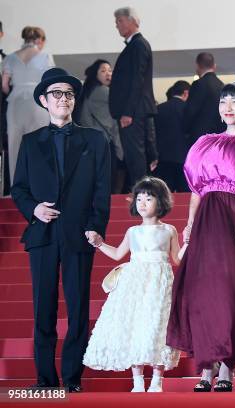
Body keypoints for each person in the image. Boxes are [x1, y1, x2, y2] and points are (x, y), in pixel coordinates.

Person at [166, 82, 235, 392]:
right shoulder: (204, 143)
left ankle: (227, 365)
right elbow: (197, 191)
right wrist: (189, 223)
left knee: (229, 289)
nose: (228, 107)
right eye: (223, 101)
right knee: (203, 291)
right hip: (207, 217)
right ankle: (206, 367)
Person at [11, 67, 111, 392]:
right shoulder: (29, 143)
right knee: (43, 310)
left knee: (78, 308)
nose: (63, 99)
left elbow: (102, 188)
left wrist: (96, 227)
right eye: (56, 94)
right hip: (42, 235)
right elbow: (19, 189)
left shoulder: (95, 140)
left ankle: (71, 379)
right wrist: (34, 209)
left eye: (68, 94)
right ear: (44, 100)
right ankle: (44, 379)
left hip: (79, 233)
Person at [83, 177, 182, 392]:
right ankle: (137, 381)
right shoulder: (133, 232)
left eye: (148, 198)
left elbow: (177, 259)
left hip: (159, 284)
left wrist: (190, 243)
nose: (143, 203)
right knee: (134, 325)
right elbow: (118, 254)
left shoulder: (169, 231)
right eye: (139, 199)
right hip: (135, 284)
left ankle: (157, 380)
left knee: (157, 326)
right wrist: (99, 243)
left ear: (161, 202)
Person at [109, 7, 156, 189]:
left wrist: (127, 112)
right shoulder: (135, 45)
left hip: (133, 111)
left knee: (135, 155)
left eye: (120, 20)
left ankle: (142, 194)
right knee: (134, 155)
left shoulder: (138, 45)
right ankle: (142, 192)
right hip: (133, 110)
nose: (117, 25)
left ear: (133, 21)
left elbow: (137, 79)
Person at [2, 26, 54, 183]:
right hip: (37, 102)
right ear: (39, 40)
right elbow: (50, 82)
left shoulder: (10, 58)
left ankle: (17, 188)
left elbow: (4, 85)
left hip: (16, 103)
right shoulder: (45, 56)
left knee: (15, 145)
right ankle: (39, 186)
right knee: (40, 144)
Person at [76, 59, 126, 194]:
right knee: (109, 182)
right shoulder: (103, 92)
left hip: (91, 142)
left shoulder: (88, 91)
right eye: (103, 71)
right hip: (103, 143)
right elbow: (113, 125)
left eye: (110, 70)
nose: (108, 73)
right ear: (95, 74)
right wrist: (120, 150)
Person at [153, 80, 190, 192]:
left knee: (164, 194)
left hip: (163, 158)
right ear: (186, 93)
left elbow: (153, 133)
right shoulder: (188, 109)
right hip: (184, 158)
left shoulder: (158, 109)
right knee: (184, 197)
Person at [182, 52, 225, 145]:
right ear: (214, 66)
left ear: (197, 66)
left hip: (200, 138)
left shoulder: (198, 84)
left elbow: (191, 111)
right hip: (219, 138)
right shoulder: (222, 86)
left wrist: (185, 132)